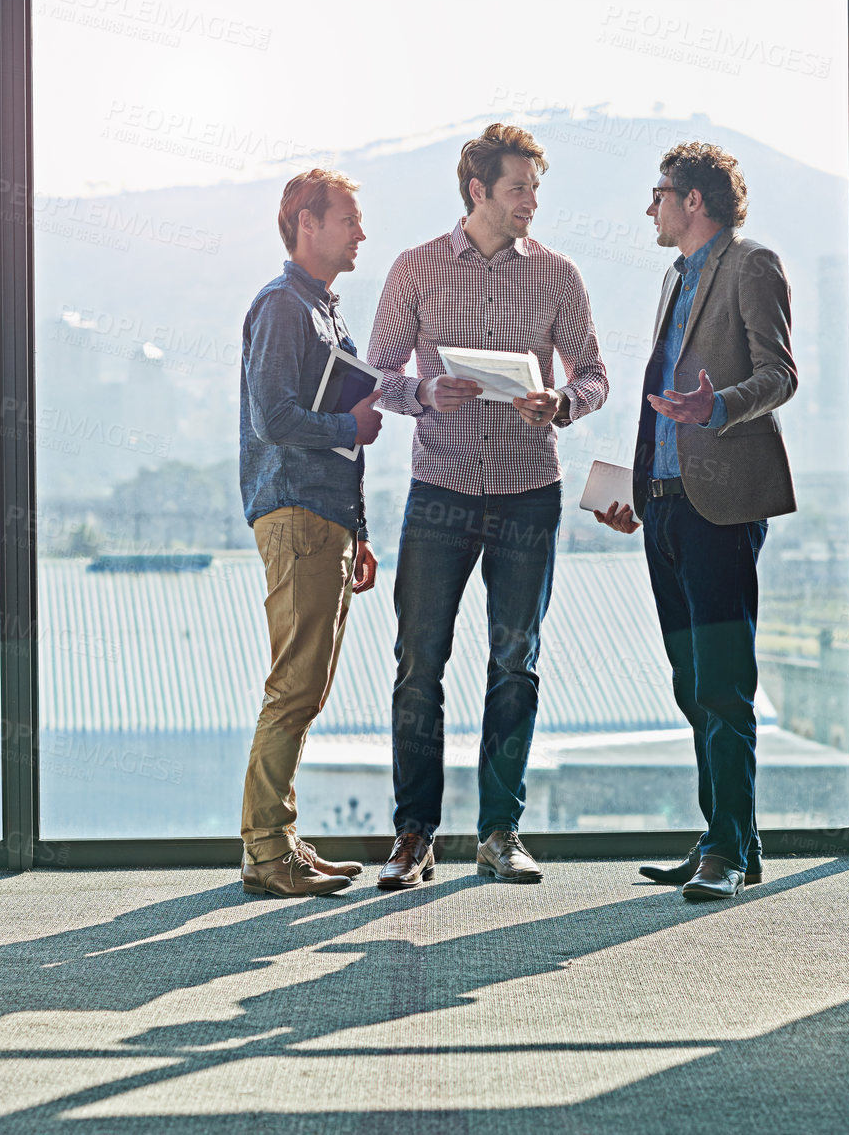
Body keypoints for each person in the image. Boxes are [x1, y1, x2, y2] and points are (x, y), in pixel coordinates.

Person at [366, 124, 608, 889]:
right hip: (438, 491)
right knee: (418, 663)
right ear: (478, 192)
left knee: (515, 663)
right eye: (518, 189)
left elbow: (596, 374)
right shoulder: (417, 268)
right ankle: (414, 837)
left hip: (528, 494)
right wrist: (426, 392)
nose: (531, 202)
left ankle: (501, 833)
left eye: (534, 189)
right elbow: (374, 374)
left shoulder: (558, 276)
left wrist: (562, 402)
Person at [593, 142, 798, 902]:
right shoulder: (675, 277)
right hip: (669, 503)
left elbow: (780, 373)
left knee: (723, 684)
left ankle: (727, 851)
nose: (651, 207)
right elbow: (661, 400)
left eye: (660, 194)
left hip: (722, 505)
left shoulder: (751, 265)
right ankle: (729, 837)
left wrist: (718, 406)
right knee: (691, 684)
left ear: (694, 202)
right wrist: (638, 491)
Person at [237, 169, 384, 897]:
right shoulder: (282, 307)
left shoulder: (324, 310)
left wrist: (357, 531)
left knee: (307, 687)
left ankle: (279, 839)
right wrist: (349, 426)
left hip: (323, 518)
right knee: (294, 686)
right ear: (307, 223)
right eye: (349, 220)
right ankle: (266, 850)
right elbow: (274, 418)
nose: (361, 233)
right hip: (294, 512)